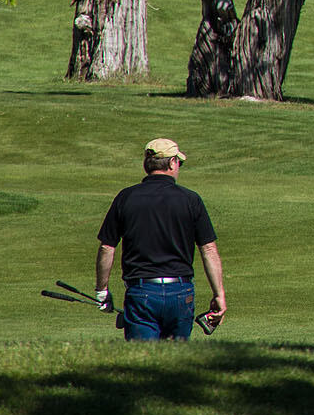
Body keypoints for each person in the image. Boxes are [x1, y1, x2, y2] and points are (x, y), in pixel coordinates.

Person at [93, 137, 226, 341]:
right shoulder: (190, 199)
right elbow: (208, 249)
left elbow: (107, 248)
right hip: (181, 292)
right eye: (178, 162)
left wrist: (102, 291)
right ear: (172, 162)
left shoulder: (126, 197)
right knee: (173, 363)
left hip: (141, 292)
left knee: (144, 362)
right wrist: (219, 294)